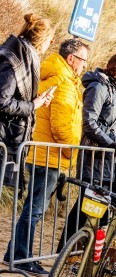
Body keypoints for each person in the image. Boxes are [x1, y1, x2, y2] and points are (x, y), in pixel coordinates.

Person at [2, 39, 88, 275]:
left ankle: (17, 253)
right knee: (35, 208)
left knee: (33, 206)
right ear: (71, 59)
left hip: (45, 152)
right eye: (82, 60)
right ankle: (21, 256)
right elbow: (62, 126)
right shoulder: (62, 80)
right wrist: (72, 151)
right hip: (50, 154)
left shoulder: (57, 74)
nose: (84, 66)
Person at [58, 52, 116, 249]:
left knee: (97, 208)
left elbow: (115, 126)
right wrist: (110, 143)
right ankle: (64, 250)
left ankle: (78, 251)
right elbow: (90, 122)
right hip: (94, 155)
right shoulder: (99, 86)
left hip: (108, 159)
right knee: (85, 206)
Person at [0, 14, 54, 191]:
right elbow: (2, 102)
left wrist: (36, 100)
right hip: (4, 137)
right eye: (51, 39)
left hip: (9, 136)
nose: (51, 44)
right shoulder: (14, 59)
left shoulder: (24, 57)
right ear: (43, 39)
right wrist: (33, 105)